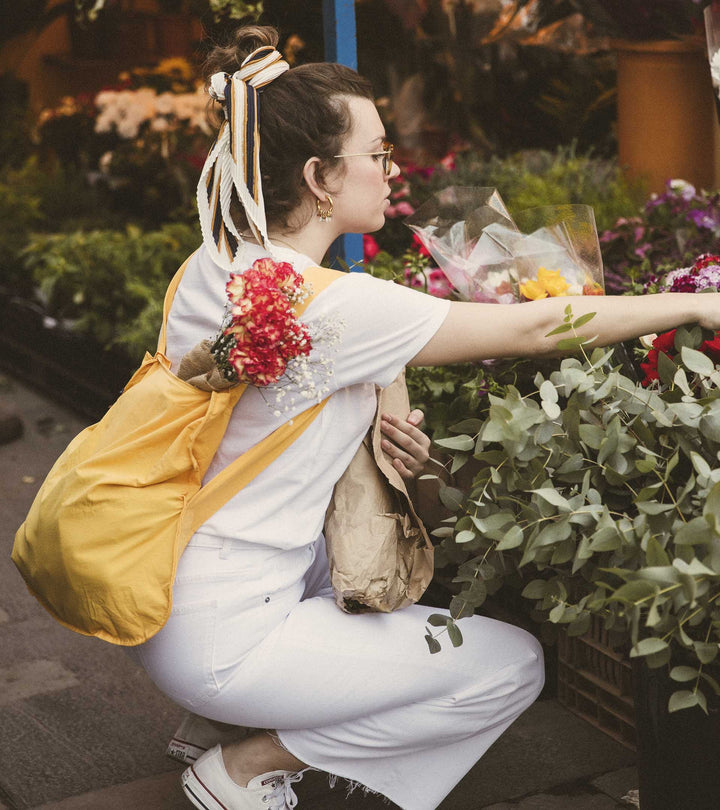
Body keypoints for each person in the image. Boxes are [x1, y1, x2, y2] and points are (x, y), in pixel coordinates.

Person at [135, 25, 720, 810]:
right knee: (512, 666)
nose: (393, 168)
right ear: (317, 175)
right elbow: (539, 327)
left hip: (168, 595)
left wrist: (380, 397)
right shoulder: (330, 304)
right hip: (231, 639)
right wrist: (696, 302)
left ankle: (213, 724)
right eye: (377, 154)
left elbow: (330, 363)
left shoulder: (217, 266)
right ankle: (249, 759)